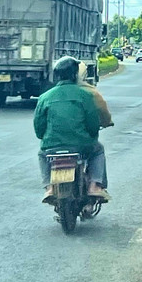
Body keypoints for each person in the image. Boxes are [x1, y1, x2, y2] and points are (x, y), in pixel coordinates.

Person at [34, 56, 109, 204]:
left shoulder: (44, 97)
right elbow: (93, 125)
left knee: (42, 154)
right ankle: (94, 186)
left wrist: (46, 138)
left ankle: (49, 188)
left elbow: (39, 129)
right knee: (98, 150)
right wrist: (91, 135)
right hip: (82, 145)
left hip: (52, 146)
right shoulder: (86, 95)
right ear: (76, 74)